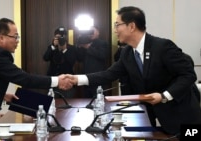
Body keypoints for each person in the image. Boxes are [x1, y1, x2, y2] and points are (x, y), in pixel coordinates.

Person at [68, 6, 201, 136]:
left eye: (117, 25)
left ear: (131, 26)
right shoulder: (127, 53)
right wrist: (76, 79)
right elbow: (109, 74)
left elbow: (188, 75)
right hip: (153, 118)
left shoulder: (162, 46)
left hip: (182, 116)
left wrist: (164, 96)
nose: (115, 30)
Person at [0, 18, 72, 141]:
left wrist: (3, 95)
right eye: (15, 37)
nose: (17, 41)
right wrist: (57, 81)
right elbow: (24, 79)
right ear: (1, 37)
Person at [43, 27, 78, 98]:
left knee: (67, 104)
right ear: (54, 37)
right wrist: (53, 46)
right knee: (52, 103)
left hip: (67, 81)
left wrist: (64, 50)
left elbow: (72, 62)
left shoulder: (71, 48)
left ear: (65, 37)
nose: (60, 39)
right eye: (57, 37)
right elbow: (45, 58)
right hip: (53, 80)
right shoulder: (51, 47)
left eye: (62, 37)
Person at [77, 26, 110, 98]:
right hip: (87, 79)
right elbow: (79, 59)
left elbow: (102, 55)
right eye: (89, 32)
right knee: (87, 101)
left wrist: (88, 47)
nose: (91, 33)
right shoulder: (84, 43)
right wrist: (80, 45)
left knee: (99, 101)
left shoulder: (103, 43)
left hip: (99, 78)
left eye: (92, 31)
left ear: (98, 32)